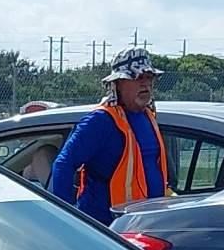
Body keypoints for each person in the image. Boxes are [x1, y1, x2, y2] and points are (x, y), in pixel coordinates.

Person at [50, 47, 174, 226]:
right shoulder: (101, 120)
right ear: (118, 84)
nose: (145, 84)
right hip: (106, 230)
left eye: (149, 77)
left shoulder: (148, 116)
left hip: (143, 225)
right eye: (138, 78)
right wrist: (67, 220)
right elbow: (64, 163)